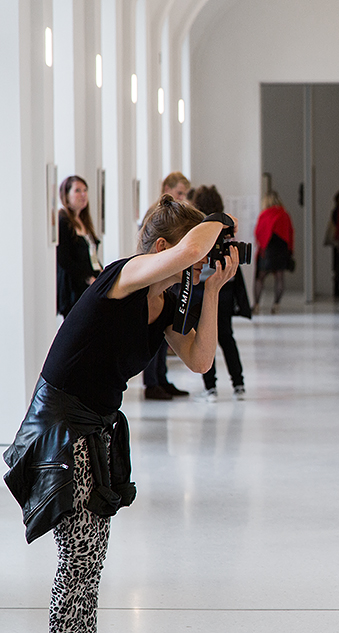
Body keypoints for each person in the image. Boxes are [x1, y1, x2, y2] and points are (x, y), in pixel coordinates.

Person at [3, 195, 239, 633]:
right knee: (79, 558)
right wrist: (219, 222)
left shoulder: (164, 305)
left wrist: (212, 290)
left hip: (95, 429)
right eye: (193, 256)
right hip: (60, 427)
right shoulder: (122, 275)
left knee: (91, 556)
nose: (195, 265)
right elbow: (190, 250)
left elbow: (200, 359)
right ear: (162, 247)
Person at [193, 185, 252, 401]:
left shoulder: (199, 231)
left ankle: (210, 388)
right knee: (227, 336)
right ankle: (239, 384)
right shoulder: (227, 229)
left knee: (205, 339)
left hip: (203, 288)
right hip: (225, 287)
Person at [143, 172, 193, 400]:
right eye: (180, 192)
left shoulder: (175, 218)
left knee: (164, 334)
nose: (183, 197)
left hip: (168, 278)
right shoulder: (156, 215)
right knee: (153, 335)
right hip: (156, 278)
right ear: (167, 188)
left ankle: (161, 379)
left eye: (185, 194)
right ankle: (152, 382)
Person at [56, 176, 101, 317]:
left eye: (85, 190)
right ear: (66, 196)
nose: (83, 195)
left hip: (89, 286)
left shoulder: (83, 221)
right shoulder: (63, 221)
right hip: (73, 290)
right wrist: (87, 278)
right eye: (77, 191)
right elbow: (64, 259)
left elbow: (91, 255)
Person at [253, 190, 295, 314]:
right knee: (279, 278)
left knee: (260, 278)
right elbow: (290, 233)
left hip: (267, 250)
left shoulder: (264, 214)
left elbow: (258, 233)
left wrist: (262, 247)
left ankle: (256, 305)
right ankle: (276, 305)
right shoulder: (284, 214)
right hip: (281, 249)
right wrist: (290, 251)